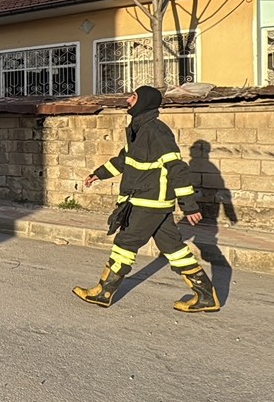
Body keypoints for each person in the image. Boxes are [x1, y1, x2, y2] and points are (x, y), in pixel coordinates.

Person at [73, 85, 219, 313]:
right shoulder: (138, 129)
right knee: (173, 247)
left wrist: (189, 206)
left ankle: (104, 292)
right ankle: (206, 296)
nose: (128, 99)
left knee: (125, 243)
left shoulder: (156, 132)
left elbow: (177, 169)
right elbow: (124, 160)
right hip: (149, 202)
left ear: (144, 102)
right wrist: (98, 174)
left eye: (134, 96)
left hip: (148, 202)